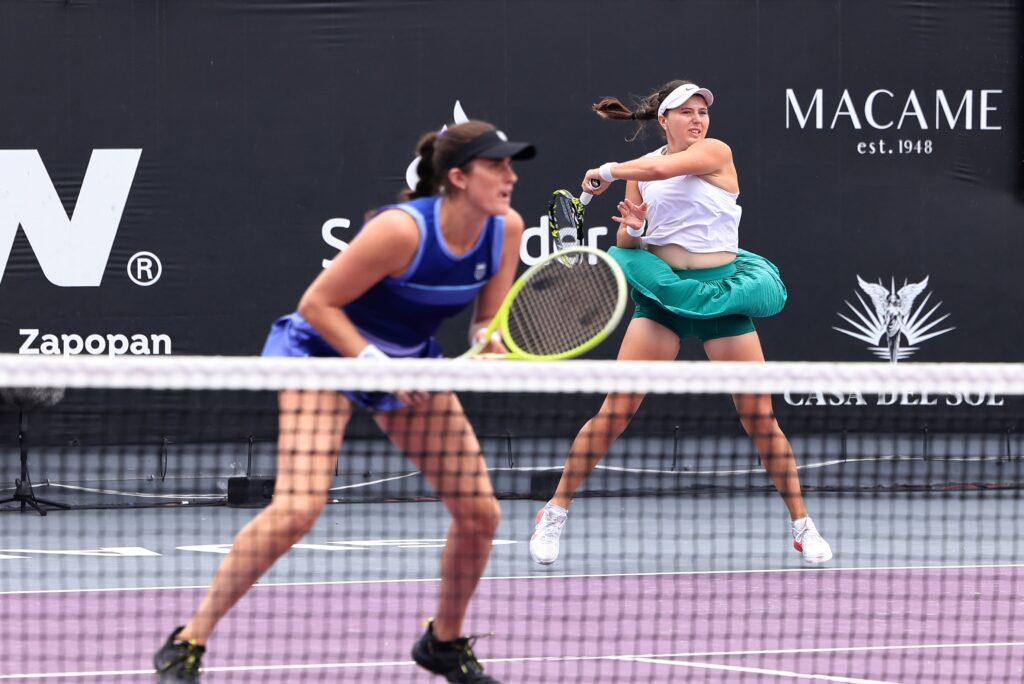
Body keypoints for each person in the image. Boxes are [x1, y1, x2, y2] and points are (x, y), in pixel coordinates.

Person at [154, 120, 534, 684]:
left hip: (407, 358)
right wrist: (374, 364)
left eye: (510, 165)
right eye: (495, 165)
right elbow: (317, 304)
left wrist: (489, 343)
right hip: (322, 354)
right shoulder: (400, 230)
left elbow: (487, 320)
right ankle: (189, 640)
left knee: (480, 514)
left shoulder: (505, 229)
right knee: (297, 508)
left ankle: (443, 642)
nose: (510, 176)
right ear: (458, 177)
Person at [528, 80, 833, 567]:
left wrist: (605, 171)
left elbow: (659, 167)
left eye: (702, 112)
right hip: (665, 301)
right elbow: (629, 244)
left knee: (760, 418)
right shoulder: (641, 174)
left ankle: (802, 525)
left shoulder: (714, 152)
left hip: (722, 298)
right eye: (686, 112)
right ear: (664, 119)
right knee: (616, 409)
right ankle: (555, 511)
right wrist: (635, 226)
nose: (697, 120)